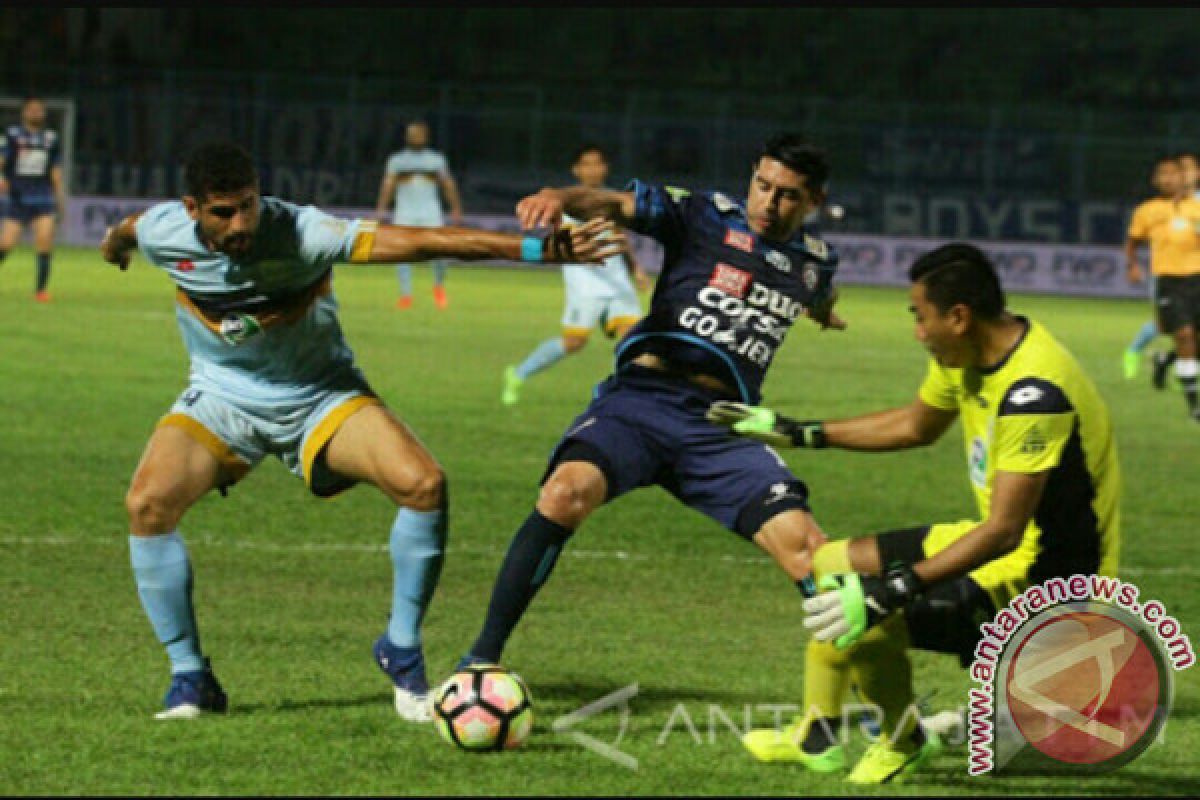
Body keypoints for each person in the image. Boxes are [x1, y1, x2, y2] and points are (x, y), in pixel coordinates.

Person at [98, 141, 619, 722]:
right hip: (221, 400)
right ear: (193, 208)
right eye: (224, 212)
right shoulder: (163, 230)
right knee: (147, 504)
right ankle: (190, 678)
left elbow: (421, 242)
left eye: (247, 205)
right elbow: (129, 229)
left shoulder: (304, 232)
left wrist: (533, 249)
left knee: (423, 484)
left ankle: (400, 648)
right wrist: (114, 246)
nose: (241, 222)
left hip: (321, 395)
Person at [709, 242, 1120, 784]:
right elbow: (916, 426)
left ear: (959, 316)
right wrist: (796, 431)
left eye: (920, 317)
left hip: (1052, 582)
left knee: (867, 616)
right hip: (1007, 544)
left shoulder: (1032, 393)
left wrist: (897, 588)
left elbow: (1004, 532)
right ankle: (817, 738)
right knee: (830, 566)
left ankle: (904, 742)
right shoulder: (972, 352)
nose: (917, 331)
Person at [455, 132, 845, 701]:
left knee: (812, 550)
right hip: (640, 402)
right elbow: (614, 204)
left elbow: (815, 294)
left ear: (811, 202)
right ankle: (480, 660)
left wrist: (824, 314)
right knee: (563, 495)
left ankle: (856, 704)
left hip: (722, 427)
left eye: (787, 195)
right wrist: (557, 197)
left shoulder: (815, 263)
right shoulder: (702, 217)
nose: (767, 202)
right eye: (762, 185)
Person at [501, 143, 650, 406]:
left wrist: (635, 269)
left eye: (598, 163)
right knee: (574, 342)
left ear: (606, 168)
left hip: (617, 281)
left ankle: (626, 400)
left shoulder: (612, 199)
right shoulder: (565, 201)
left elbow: (620, 237)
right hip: (585, 283)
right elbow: (557, 237)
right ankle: (518, 373)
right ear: (576, 169)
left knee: (633, 341)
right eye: (587, 164)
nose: (593, 169)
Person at [1125, 154, 1200, 420]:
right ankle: (1194, 404)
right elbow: (1133, 240)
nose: (1169, 179)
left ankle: (1164, 362)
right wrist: (1132, 265)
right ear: (1155, 180)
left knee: (1193, 343)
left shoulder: (1196, 208)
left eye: (1174, 174)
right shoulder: (1147, 210)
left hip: (1197, 281)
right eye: (1163, 175)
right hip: (1168, 282)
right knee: (1184, 335)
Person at [375, 120, 464, 310]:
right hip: (404, 212)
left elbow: (448, 184)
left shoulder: (436, 160)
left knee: (440, 251)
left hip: (430, 212)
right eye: (412, 134)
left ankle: (438, 286)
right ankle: (406, 294)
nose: (415, 137)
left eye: (419, 134)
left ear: (426, 137)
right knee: (401, 254)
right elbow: (388, 185)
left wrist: (455, 207)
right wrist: (381, 210)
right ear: (407, 137)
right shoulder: (397, 160)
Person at [0, 96, 66, 302]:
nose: (36, 113)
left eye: (40, 110)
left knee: (45, 243)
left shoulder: (51, 138)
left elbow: (55, 172)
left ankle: (41, 291)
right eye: (32, 110)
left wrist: (59, 198)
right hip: (18, 198)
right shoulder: (12, 135)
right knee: (6, 244)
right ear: (24, 113)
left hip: (43, 198)